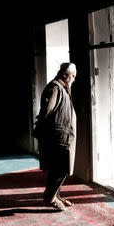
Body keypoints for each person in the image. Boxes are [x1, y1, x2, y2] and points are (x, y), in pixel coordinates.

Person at [33, 62, 77, 211]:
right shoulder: (55, 88)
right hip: (58, 137)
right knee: (60, 167)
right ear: (65, 75)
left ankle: (55, 195)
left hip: (62, 135)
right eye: (73, 76)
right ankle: (50, 198)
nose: (74, 80)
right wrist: (41, 124)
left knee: (59, 168)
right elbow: (47, 110)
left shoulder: (62, 87)